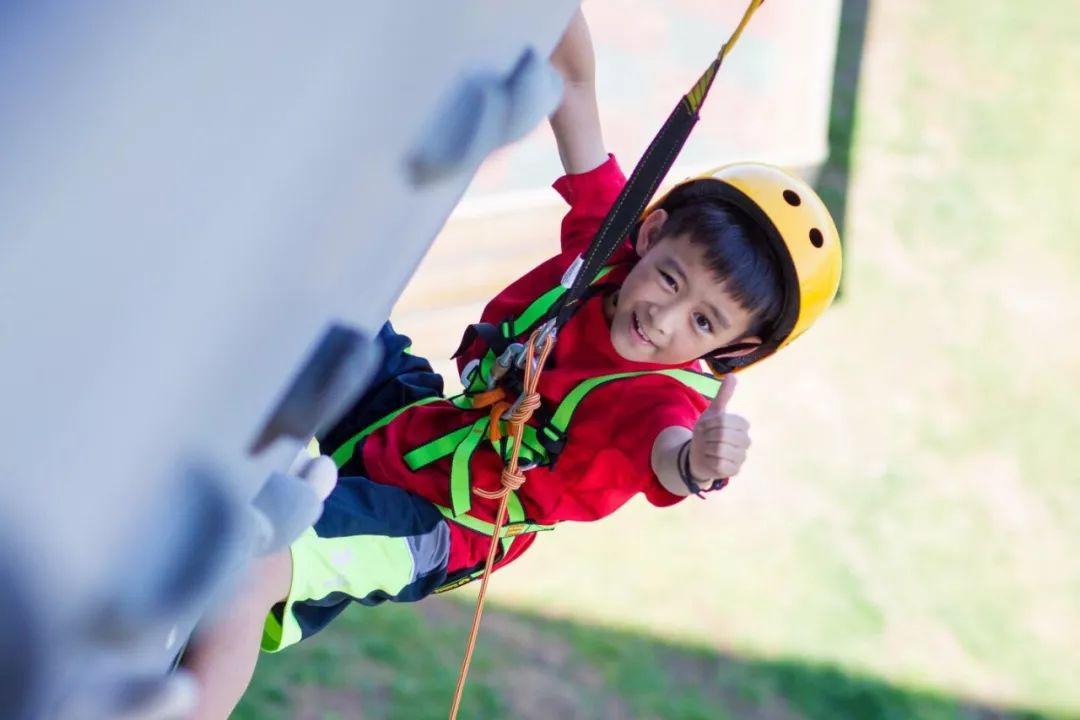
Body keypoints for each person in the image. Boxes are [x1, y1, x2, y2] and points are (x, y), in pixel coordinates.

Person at [183, 9, 841, 717]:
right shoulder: (609, 246)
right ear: (650, 234)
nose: (663, 316)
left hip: (438, 522)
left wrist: (702, 463)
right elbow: (576, 87)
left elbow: (671, 456)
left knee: (255, 564)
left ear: (730, 351)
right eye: (671, 279)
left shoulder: (657, 403)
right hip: (421, 422)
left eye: (703, 322)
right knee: (330, 305)